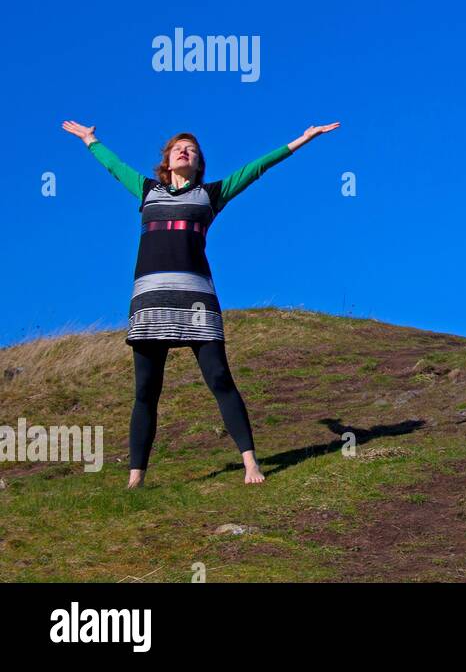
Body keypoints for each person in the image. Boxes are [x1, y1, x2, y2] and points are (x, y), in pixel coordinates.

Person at [61, 119, 340, 487]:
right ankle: (135, 477)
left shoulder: (210, 195)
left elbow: (256, 168)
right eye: (178, 147)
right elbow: (115, 167)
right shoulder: (147, 190)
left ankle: (251, 464)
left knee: (220, 378)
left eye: (191, 149)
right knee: (146, 390)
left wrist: (302, 140)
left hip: (197, 302)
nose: (184, 151)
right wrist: (90, 140)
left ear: (198, 163)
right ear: (167, 159)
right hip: (150, 301)